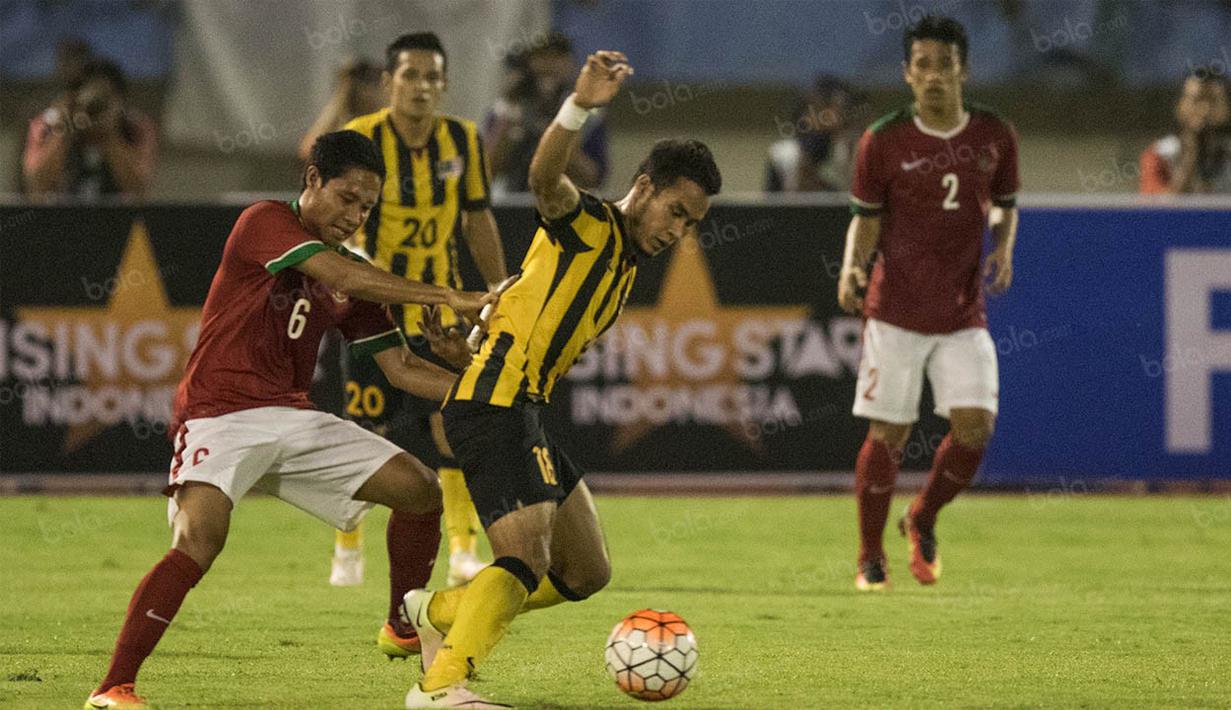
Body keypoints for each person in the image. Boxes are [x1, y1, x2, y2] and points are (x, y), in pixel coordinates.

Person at [83, 130, 495, 710]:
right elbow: (343, 277)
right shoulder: (264, 222)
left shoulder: (357, 272)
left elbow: (401, 369)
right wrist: (452, 295)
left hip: (291, 414)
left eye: (366, 207)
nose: (355, 215)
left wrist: (486, 393)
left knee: (421, 491)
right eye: (347, 197)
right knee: (201, 539)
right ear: (312, 181)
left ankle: (402, 624)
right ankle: (113, 687)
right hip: (220, 411)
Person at [401, 50, 722, 709]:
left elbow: (523, 327)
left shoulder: (625, 267)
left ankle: (435, 610)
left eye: (691, 224)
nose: (679, 231)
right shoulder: (588, 226)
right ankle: (438, 689)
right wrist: (580, 104)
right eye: (676, 211)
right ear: (646, 185)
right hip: (494, 407)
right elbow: (545, 174)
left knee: (586, 571)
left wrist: (467, 350)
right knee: (523, 558)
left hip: (515, 405)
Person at [330, 32, 509, 633]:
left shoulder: (464, 140)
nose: (423, 87)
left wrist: (498, 290)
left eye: (434, 77)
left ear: (446, 85)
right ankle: (348, 539)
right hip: (374, 304)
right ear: (390, 81)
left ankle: (462, 546)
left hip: (441, 307)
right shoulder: (364, 138)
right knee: (366, 430)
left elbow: (476, 215)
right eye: (412, 75)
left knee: (452, 418)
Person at [838, 16, 1019, 592]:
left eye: (945, 64)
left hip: (963, 312)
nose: (934, 75)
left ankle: (922, 516)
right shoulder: (884, 140)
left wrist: (1004, 248)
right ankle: (870, 556)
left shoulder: (993, 135)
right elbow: (865, 222)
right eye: (923, 65)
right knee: (887, 435)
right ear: (907, 74)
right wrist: (852, 268)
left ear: (963, 69)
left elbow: (1006, 203)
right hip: (894, 313)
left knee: (976, 428)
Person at [483, 32, 608, 194]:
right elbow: (485, 173)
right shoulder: (506, 111)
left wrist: (561, 131)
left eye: (556, 58)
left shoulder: (590, 115)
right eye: (541, 58)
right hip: (515, 203)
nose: (548, 65)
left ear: (570, 64)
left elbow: (594, 178)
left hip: (566, 202)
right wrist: (510, 117)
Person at [23, 57, 157, 200]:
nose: (93, 111)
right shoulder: (48, 125)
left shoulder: (135, 128)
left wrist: (110, 136)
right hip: (61, 216)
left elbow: (139, 189)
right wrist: (63, 132)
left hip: (119, 218)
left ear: (120, 101)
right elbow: (37, 187)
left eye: (103, 102)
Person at [765, 75, 866, 192]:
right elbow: (772, 203)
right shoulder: (784, 154)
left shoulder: (850, 149)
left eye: (837, 108)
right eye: (813, 110)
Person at [1139, 71, 1231, 194]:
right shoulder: (1159, 155)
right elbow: (1156, 209)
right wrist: (1190, 159)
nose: (1204, 109)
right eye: (1196, 100)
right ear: (1180, 106)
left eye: (1213, 100)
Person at [298, 59, 386, 162]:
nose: (364, 93)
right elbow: (308, 151)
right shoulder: (341, 118)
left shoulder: (385, 122)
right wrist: (344, 92)